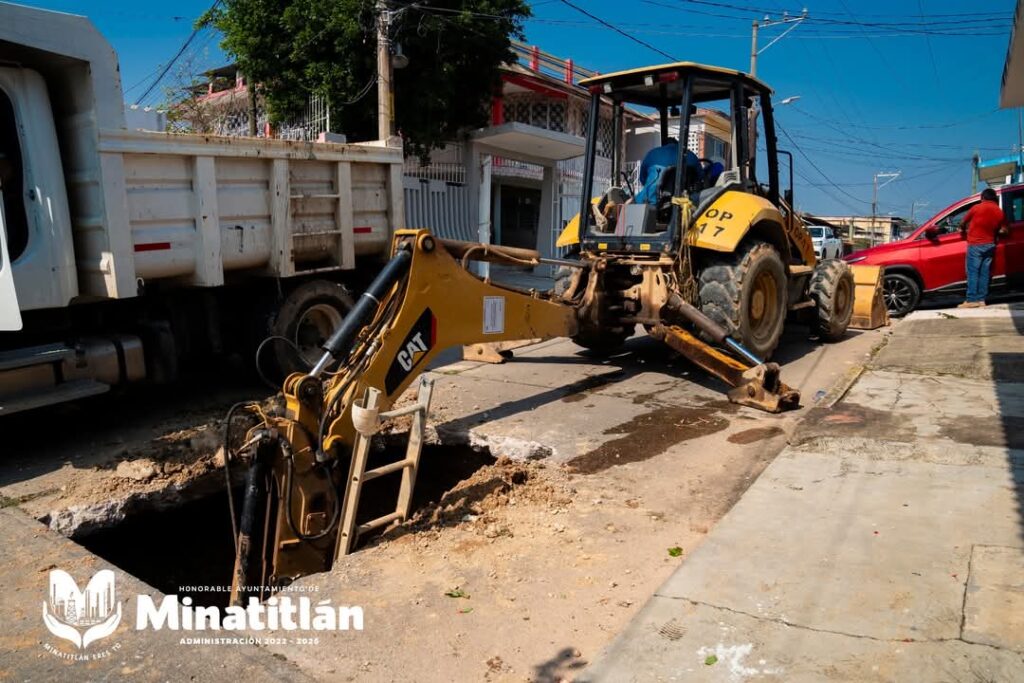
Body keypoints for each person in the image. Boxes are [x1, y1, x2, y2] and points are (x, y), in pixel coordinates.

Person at [958, 188, 1008, 308]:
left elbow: (963, 222)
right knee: (985, 273)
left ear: (983, 198)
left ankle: (971, 300)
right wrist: (996, 231)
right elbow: (1005, 230)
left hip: (975, 245)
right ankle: (981, 300)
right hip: (990, 245)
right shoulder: (999, 212)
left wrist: (963, 229)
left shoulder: (976, 208)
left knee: (973, 272)